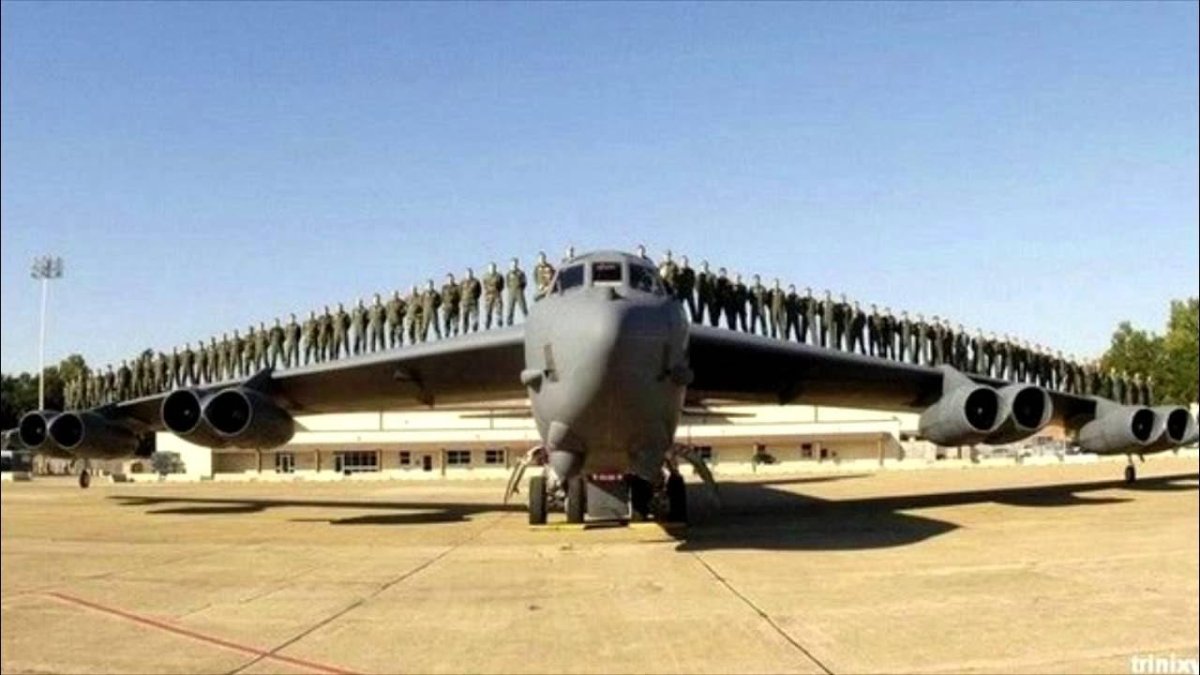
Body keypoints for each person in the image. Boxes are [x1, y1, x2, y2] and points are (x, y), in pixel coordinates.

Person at [506, 258, 528, 326]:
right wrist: (511, 289)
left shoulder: (521, 273)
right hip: (511, 292)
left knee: (523, 306)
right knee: (510, 308)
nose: (513, 265)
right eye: (512, 264)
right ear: (510, 264)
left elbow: (524, 282)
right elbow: (507, 283)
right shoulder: (508, 274)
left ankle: (527, 319)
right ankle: (509, 322)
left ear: (517, 264)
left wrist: (520, 288)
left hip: (519, 291)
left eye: (515, 263)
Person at [482, 262, 504, 330]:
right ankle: (487, 324)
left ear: (495, 268)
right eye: (490, 267)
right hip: (488, 296)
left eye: (493, 267)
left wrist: (497, 290)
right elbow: (484, 285)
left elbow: (502, 285)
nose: (492, 269)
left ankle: (499, 322)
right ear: (488, 268)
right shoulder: (485, 276)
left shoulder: (499, 276)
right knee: (488, 311)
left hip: (497, 295)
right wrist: (489, 290)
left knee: (499, 309)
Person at [675, 255, 697, 322]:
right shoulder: (677, 270)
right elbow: (675, 280)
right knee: (678, 307)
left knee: (692, 307)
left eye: (685, 262)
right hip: (680, 292)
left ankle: (695, 321)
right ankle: (678, 319)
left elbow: (693, 281)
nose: (684, 263)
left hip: (689, 292)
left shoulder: (691, 271)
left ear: (687, 263)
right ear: (680, 262)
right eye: (683, 262)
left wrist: (690, 288)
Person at [460, 269, 482, 333]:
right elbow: (459, 291)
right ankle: (465, 329)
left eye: (470, 273)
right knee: (465, 317)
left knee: (475, 315)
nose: (468, 275)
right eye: (467, 273)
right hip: (465, 303)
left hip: (474, 302)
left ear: (472, 274)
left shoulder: (476, 281)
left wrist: (475, 297)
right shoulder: (462, 282)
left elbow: (479, 291)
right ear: (465, 274)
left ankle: (475, 328)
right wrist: (463, 298)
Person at [697, 261, 718, 327]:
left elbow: (716, 286)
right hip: (701, 296)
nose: (704, 267)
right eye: (702, 266)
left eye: (705, 266)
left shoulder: (712, 275)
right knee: (700, 311)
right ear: (700, 267)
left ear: (707, 266)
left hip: (710, 296)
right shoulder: (698, 276)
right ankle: (698, 325)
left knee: (711, 312)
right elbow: (696, 286)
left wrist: (713, 295)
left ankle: (714, 326)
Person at [440, 273, 461, 338]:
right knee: (446, 321)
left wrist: (456, 301)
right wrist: (445, 304)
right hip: (446, 308)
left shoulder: (457, 287)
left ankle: (455, 331)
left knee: (455, 320)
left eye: (451, 278)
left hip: (455, 307)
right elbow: (442, 297)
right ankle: (447, 333)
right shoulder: (444, 288)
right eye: (448, 279)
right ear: (446, 280)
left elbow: (460, 296)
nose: (450, 280)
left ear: (453, 279)